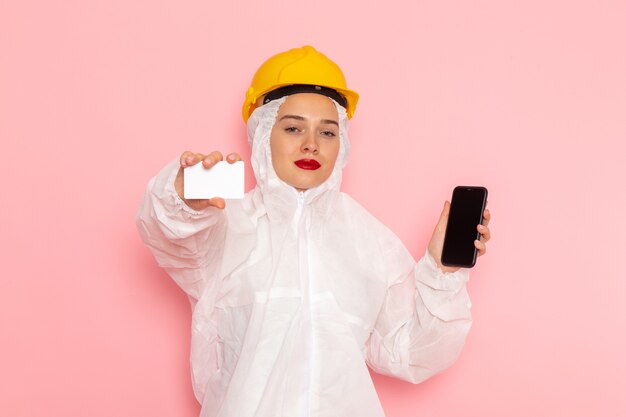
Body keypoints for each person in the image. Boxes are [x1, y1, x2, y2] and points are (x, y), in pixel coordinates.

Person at [136, 45, 491, 417]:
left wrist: (442, 272)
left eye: (327, 132)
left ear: (343, 143)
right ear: (262, 135)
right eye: (293, 128)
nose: (311, 144)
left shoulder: (367, 238)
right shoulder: (225, 225)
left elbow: (408, 352)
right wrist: (182, 199)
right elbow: (170, 235)